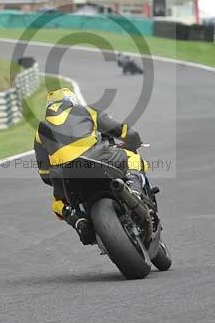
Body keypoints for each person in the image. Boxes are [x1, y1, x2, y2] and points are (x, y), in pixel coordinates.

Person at [33, 88, 147, 244]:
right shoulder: (85, 111)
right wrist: (134, 141)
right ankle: (135, 190)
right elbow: (123, 131)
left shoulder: (40, 131)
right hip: (95, 158)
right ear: (71, 101)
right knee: (132, 156)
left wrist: (59, 182)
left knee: (56, 203)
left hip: (64, 174)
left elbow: (44, 174)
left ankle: (77, 219)